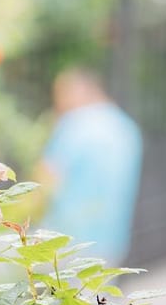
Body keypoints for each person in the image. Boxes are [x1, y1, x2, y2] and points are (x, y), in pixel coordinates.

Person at [37, 68, 143, 264]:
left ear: (80, 90)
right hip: (111, 239)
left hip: (65, 240)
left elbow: (45, 181)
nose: (58, 104)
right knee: (99, 294)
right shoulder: (126, 127)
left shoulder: (74, 124)